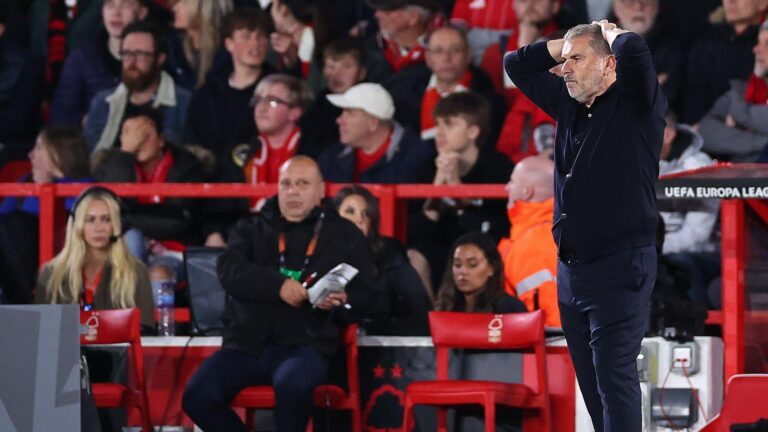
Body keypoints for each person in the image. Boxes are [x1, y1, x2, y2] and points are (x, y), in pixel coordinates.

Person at [505, 20, 666, 431]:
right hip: (573, 270)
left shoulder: (637, 102)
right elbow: (516, 64)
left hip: (621, 265)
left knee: (614, 378)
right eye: (565, 61)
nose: (566, 68)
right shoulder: (567, 101)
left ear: (609, 65)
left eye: (577, 59)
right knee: (593, 386)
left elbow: (637, 55)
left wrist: (609, 33)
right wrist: (566, 44)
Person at [182, 156, 375, 432]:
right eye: (286, 183)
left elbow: (367, 291)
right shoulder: (251, 228)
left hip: (305, 345)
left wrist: (345, 300)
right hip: (246, 346)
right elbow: (229, 270)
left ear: (321, 191)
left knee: (293, 387)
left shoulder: (345, 234)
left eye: (302, 183)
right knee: (197, 396)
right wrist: (278, 286)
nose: (293, 190)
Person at [409, 91, 512, 292]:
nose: (439, 132)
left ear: (473, 132)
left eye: (449, 124)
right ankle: (429, 322)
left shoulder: (499, 168)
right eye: (438, 124)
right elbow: (419, 234)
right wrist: (438, 185)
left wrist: (456, 186)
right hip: (443, 252)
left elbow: (489, 229)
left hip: (484, 255)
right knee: (414, 257)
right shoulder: (427, 167)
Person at [92, 107, 205, 282]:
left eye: (145, 134)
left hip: (171, 250)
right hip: (125, 249)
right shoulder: (111, 164)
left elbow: (176, 221)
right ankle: (128, 307)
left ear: (161, 140)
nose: (137, 142)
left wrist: (126, 219)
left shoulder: (186, 167)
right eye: (129, 134)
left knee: (158, 273)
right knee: (132, 239)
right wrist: (126, 155)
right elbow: (107, 208)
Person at [34, 186, 154, 329]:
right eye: (90, 220)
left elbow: (145, 330)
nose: (99, 228)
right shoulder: (51, 274)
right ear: (77, 225)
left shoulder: (136, 272)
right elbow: (41, 333)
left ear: (117, 224)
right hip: (66, 351)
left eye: (106, 219)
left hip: (118, 350)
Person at [0, 126, 92, 304]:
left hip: (60, 260)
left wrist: (45, 188)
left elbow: (70, 218)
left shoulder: (86, 186)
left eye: (39, 148)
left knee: (19, 223)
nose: (30, 155)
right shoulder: (25, 182)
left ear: (57, 153)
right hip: (15, 261)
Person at [184, 8, 276, 173]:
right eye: (246, 36)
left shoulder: (278, 91)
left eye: (261, 36)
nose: (255, 43)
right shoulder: (207, 95)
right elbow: (192, 146)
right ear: (229, 43)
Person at [333, 185, 431, 336]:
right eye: (350, 212)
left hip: (383, 343)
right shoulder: (321, 255)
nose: (359, 220)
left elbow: (420, 311)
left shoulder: (389, 255)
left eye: (366, 214)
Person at [84, 20, 192, 153]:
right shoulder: (102, 102)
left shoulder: (185, 103)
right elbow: (89, 158)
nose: (132, 63)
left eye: (141, 54)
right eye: (127, 54)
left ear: (160, 59)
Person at [50, 0, 150, 126]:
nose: (116, 13)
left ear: (142, 13)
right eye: (110, 4)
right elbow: (62, 116)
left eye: (126, 5)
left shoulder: (154, 59)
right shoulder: (82, 58)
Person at [317, 82, 434, 184]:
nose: (339, 120)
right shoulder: (332, 158)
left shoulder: (417, 158)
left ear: (373, 123)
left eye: (350, 113)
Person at [679, 0, 767, 124]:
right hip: (701, 130)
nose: (730, 1)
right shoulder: (706, 38)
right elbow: (693, 92)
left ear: (763, 3)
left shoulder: (761, 47)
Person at [498, 156, 560, 327]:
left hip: (544, 349)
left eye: (512, 181)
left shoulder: (535, 240)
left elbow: (551, 320)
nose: (507, 187)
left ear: (527, 191)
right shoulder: (545, 231)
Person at [419, 25, 506, 145]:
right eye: (438, 51)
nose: (446, 58)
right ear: (428, 58)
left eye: (455, 50)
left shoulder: (490, 102)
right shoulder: (407, 93)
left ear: (469, 55)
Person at [699, 19, 768, 162]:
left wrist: (739, 118)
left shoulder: (737, 100)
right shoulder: (740, 91)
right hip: (745, 179)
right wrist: (761, 141)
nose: (756, 49)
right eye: (758, 42)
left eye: (767, 44)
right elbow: (705, 132)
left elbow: (747, 114)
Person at [299, 37, 368, 157]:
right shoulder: (318, 106)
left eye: (346, 67)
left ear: (362, 72)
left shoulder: (370, 105)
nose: (337, 74)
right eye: (331, 66)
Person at [434, 232, 527, 313]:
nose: (462, 271)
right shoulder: (444, 306)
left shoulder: (509, 308)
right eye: (457, 264)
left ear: (492, 268)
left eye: (472, 264)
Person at [169, 0, 234, 89]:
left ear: (204, 9)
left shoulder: (227, 53)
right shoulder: (175, 47)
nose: (174, 8)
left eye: (184, 3)